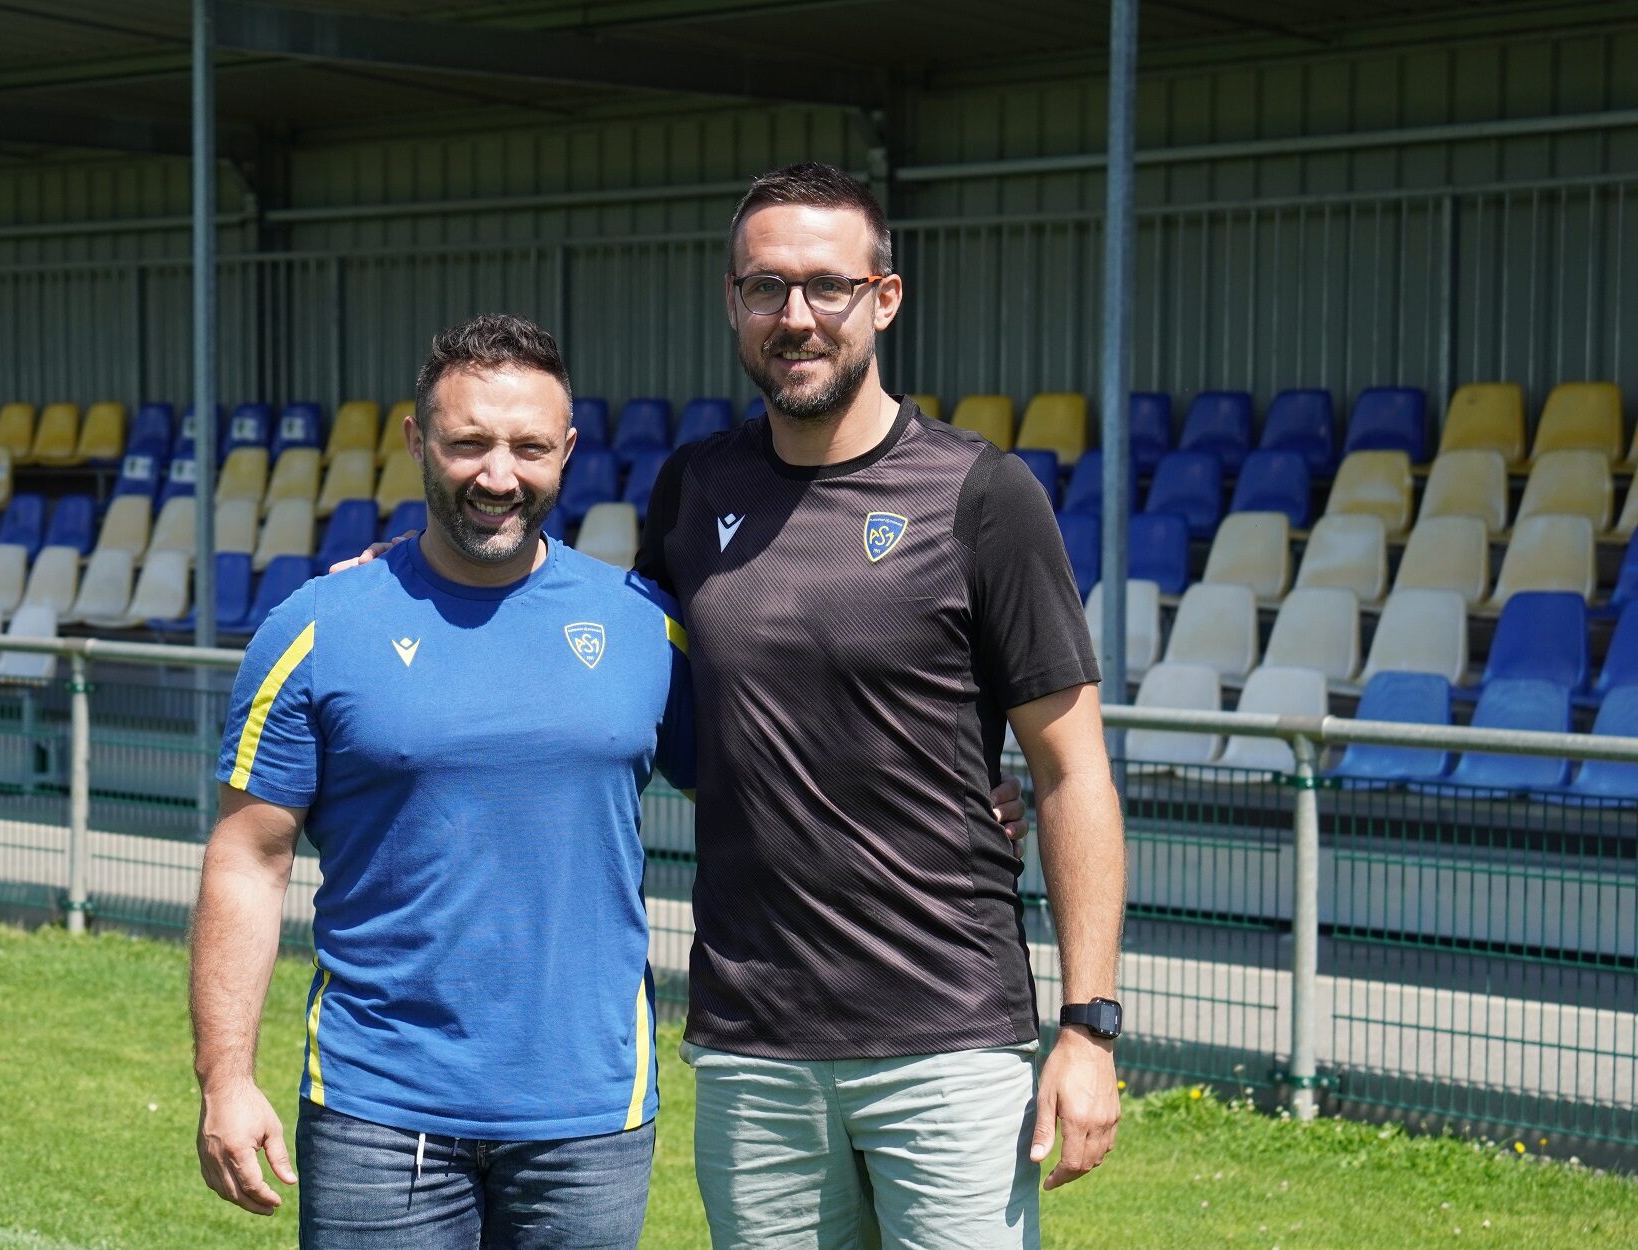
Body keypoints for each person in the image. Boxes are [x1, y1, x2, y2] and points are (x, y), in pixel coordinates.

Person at [630, 162, 1126, 1249]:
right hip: (752, 1043)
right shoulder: (690, 488)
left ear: (883, 297)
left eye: (826, 286)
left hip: (943, 1039)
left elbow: (1071, 768)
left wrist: (1088, 1027)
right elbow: (613, 666)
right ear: (730, 301)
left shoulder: (982, 495)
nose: (794, 316)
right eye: (764, 288)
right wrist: (420, 565)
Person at [188, 314, 698, 1249]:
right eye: (468, 443)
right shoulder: (317, 627)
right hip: (376, 1112)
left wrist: (954, 801)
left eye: (528, 447)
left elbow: (778, 781)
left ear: (568, 452)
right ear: (416, 440)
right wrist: (226, 1076)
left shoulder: (640, 626)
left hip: (588, 1117)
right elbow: (247, 862)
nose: (498, 475)